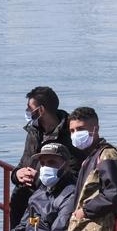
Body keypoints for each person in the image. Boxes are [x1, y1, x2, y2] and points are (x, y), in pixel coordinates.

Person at [0, 142, 78, 231]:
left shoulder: (71, 195)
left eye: (52, 163)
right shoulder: (39, 193)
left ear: (66, 164)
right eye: (43, 164)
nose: (45, 168)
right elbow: (23, 226)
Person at [11, 87, 79, 222]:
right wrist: (17, 175)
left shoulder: (70, 135)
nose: (27, 112)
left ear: (41, 110)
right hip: (23, 202)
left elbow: (74, 175)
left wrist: (38, 179)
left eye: (29, 108)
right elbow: (23, 163)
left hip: (50, 207)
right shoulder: (34, 131)